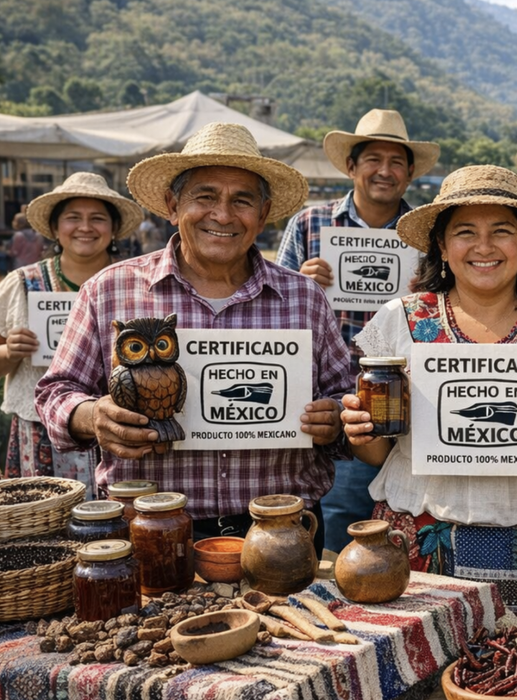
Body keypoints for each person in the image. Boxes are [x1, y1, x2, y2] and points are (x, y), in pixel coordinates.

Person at [35, 123, 353, 553]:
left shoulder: (305, 297)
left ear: (262, 215)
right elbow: (56, 392)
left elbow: (347, 397)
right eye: (205, 196)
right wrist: (93, 416)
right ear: (172, 205)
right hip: (149, 529)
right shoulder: (109, 289)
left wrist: (335, 419)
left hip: (284, 534)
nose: (222, 215)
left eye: (241, 200)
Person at [340, 165, 517, 623]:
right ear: (441, 244)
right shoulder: (400, 321)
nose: (483, 247)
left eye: (501, 231)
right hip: (419, 546)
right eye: (464, 232)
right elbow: (377, 454)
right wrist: (361, 430)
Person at [276, 109, 440, 554]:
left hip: (410, 410)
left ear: (408, 174)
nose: (384, 171)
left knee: (409, 527)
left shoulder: (427, 236)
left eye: (396, 162)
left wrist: (426, 292)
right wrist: (300, 285)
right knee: (339, 523)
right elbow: (270, 309)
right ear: (351, 166)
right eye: (373, 159)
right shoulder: (310, 225)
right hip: (333, 404)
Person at [1, 173, 143, 495]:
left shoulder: (134, 284)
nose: (85, 227)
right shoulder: (23, 284)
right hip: (40, 434)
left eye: (97, 218)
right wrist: (11, 352)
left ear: (114, 228)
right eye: (73, 218)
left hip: (119, 429)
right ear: (54, 227)